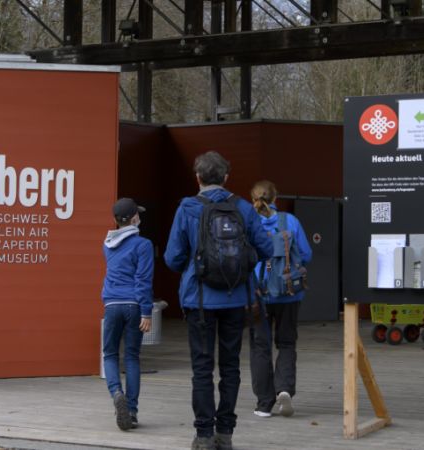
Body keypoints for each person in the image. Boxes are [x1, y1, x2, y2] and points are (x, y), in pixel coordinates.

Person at [164, 151, 272, 450]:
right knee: (230, 367)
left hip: (198, 300)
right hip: (236, 299)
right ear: (226, 177)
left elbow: (173, 259)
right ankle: (225, 434)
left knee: (202, 368)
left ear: (197, 178)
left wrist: (195, 262)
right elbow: (265, 247)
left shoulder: (187, 208)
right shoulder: (242, 208)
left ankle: (203, 435)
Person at [248, 180, 312, 419]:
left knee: (259, 347)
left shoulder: (248, 223)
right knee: (286, 343)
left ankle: (264, 403)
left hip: (257, 295)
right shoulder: (290, 221)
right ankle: (284, 388)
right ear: (275, 199)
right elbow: (306, 254)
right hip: (288, 294)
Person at [102, 198, 153, 431]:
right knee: (132, 357)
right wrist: (146, 311)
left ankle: (116, 393)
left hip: (112, 304)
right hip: (133, 304)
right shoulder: (143, 245)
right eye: (138, 215)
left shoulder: (107, 244)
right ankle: (131, 411)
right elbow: (143, 280)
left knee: (110, 354)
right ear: (134, 218)